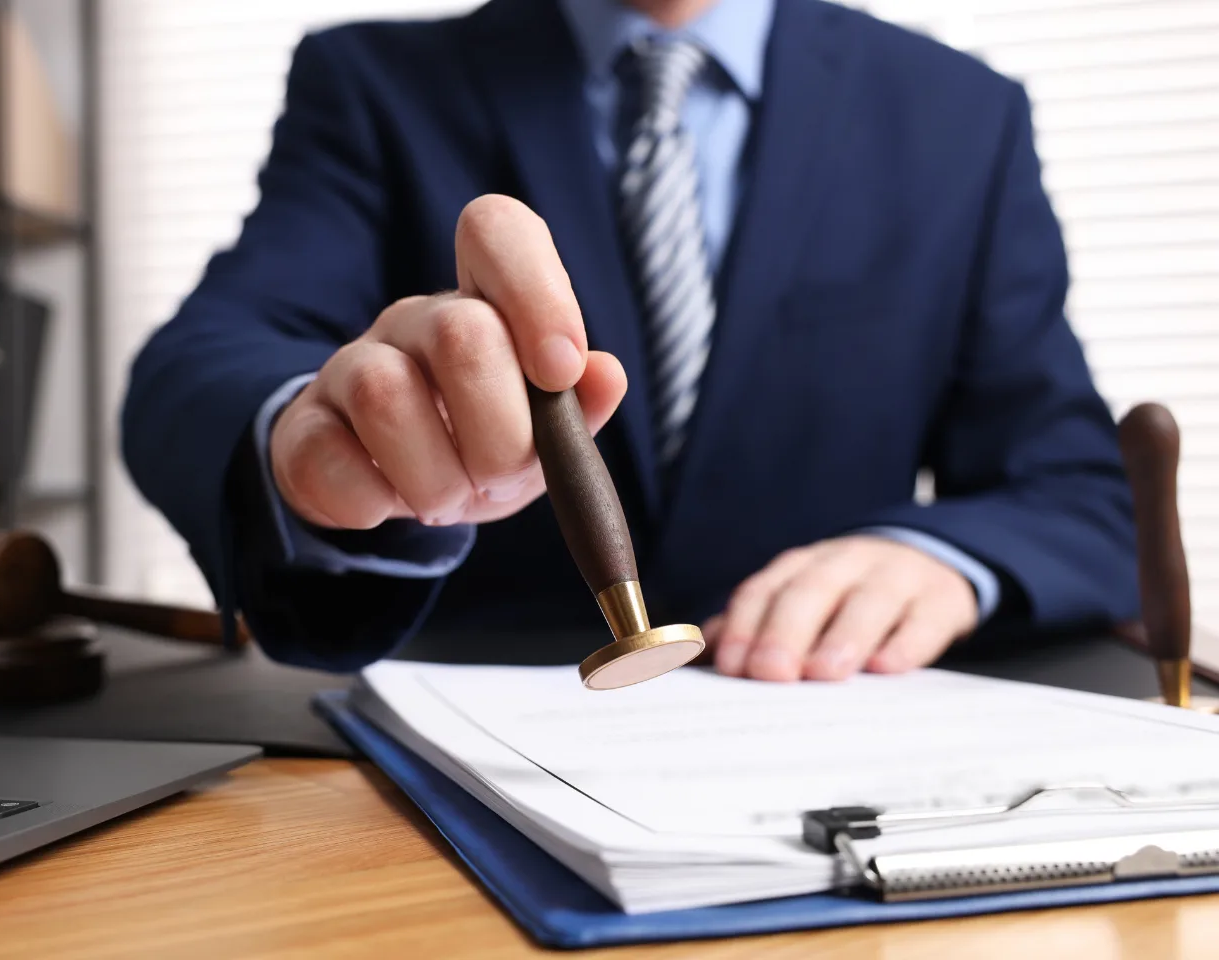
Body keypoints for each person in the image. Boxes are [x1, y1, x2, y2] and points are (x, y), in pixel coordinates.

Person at [122, 0, 1137, 680]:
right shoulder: (373, 83)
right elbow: (194, 368)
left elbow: (1075, 488)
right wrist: (311, 437)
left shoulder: (957, 115)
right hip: (461, 750)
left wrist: (938, 559)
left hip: (825, 726)